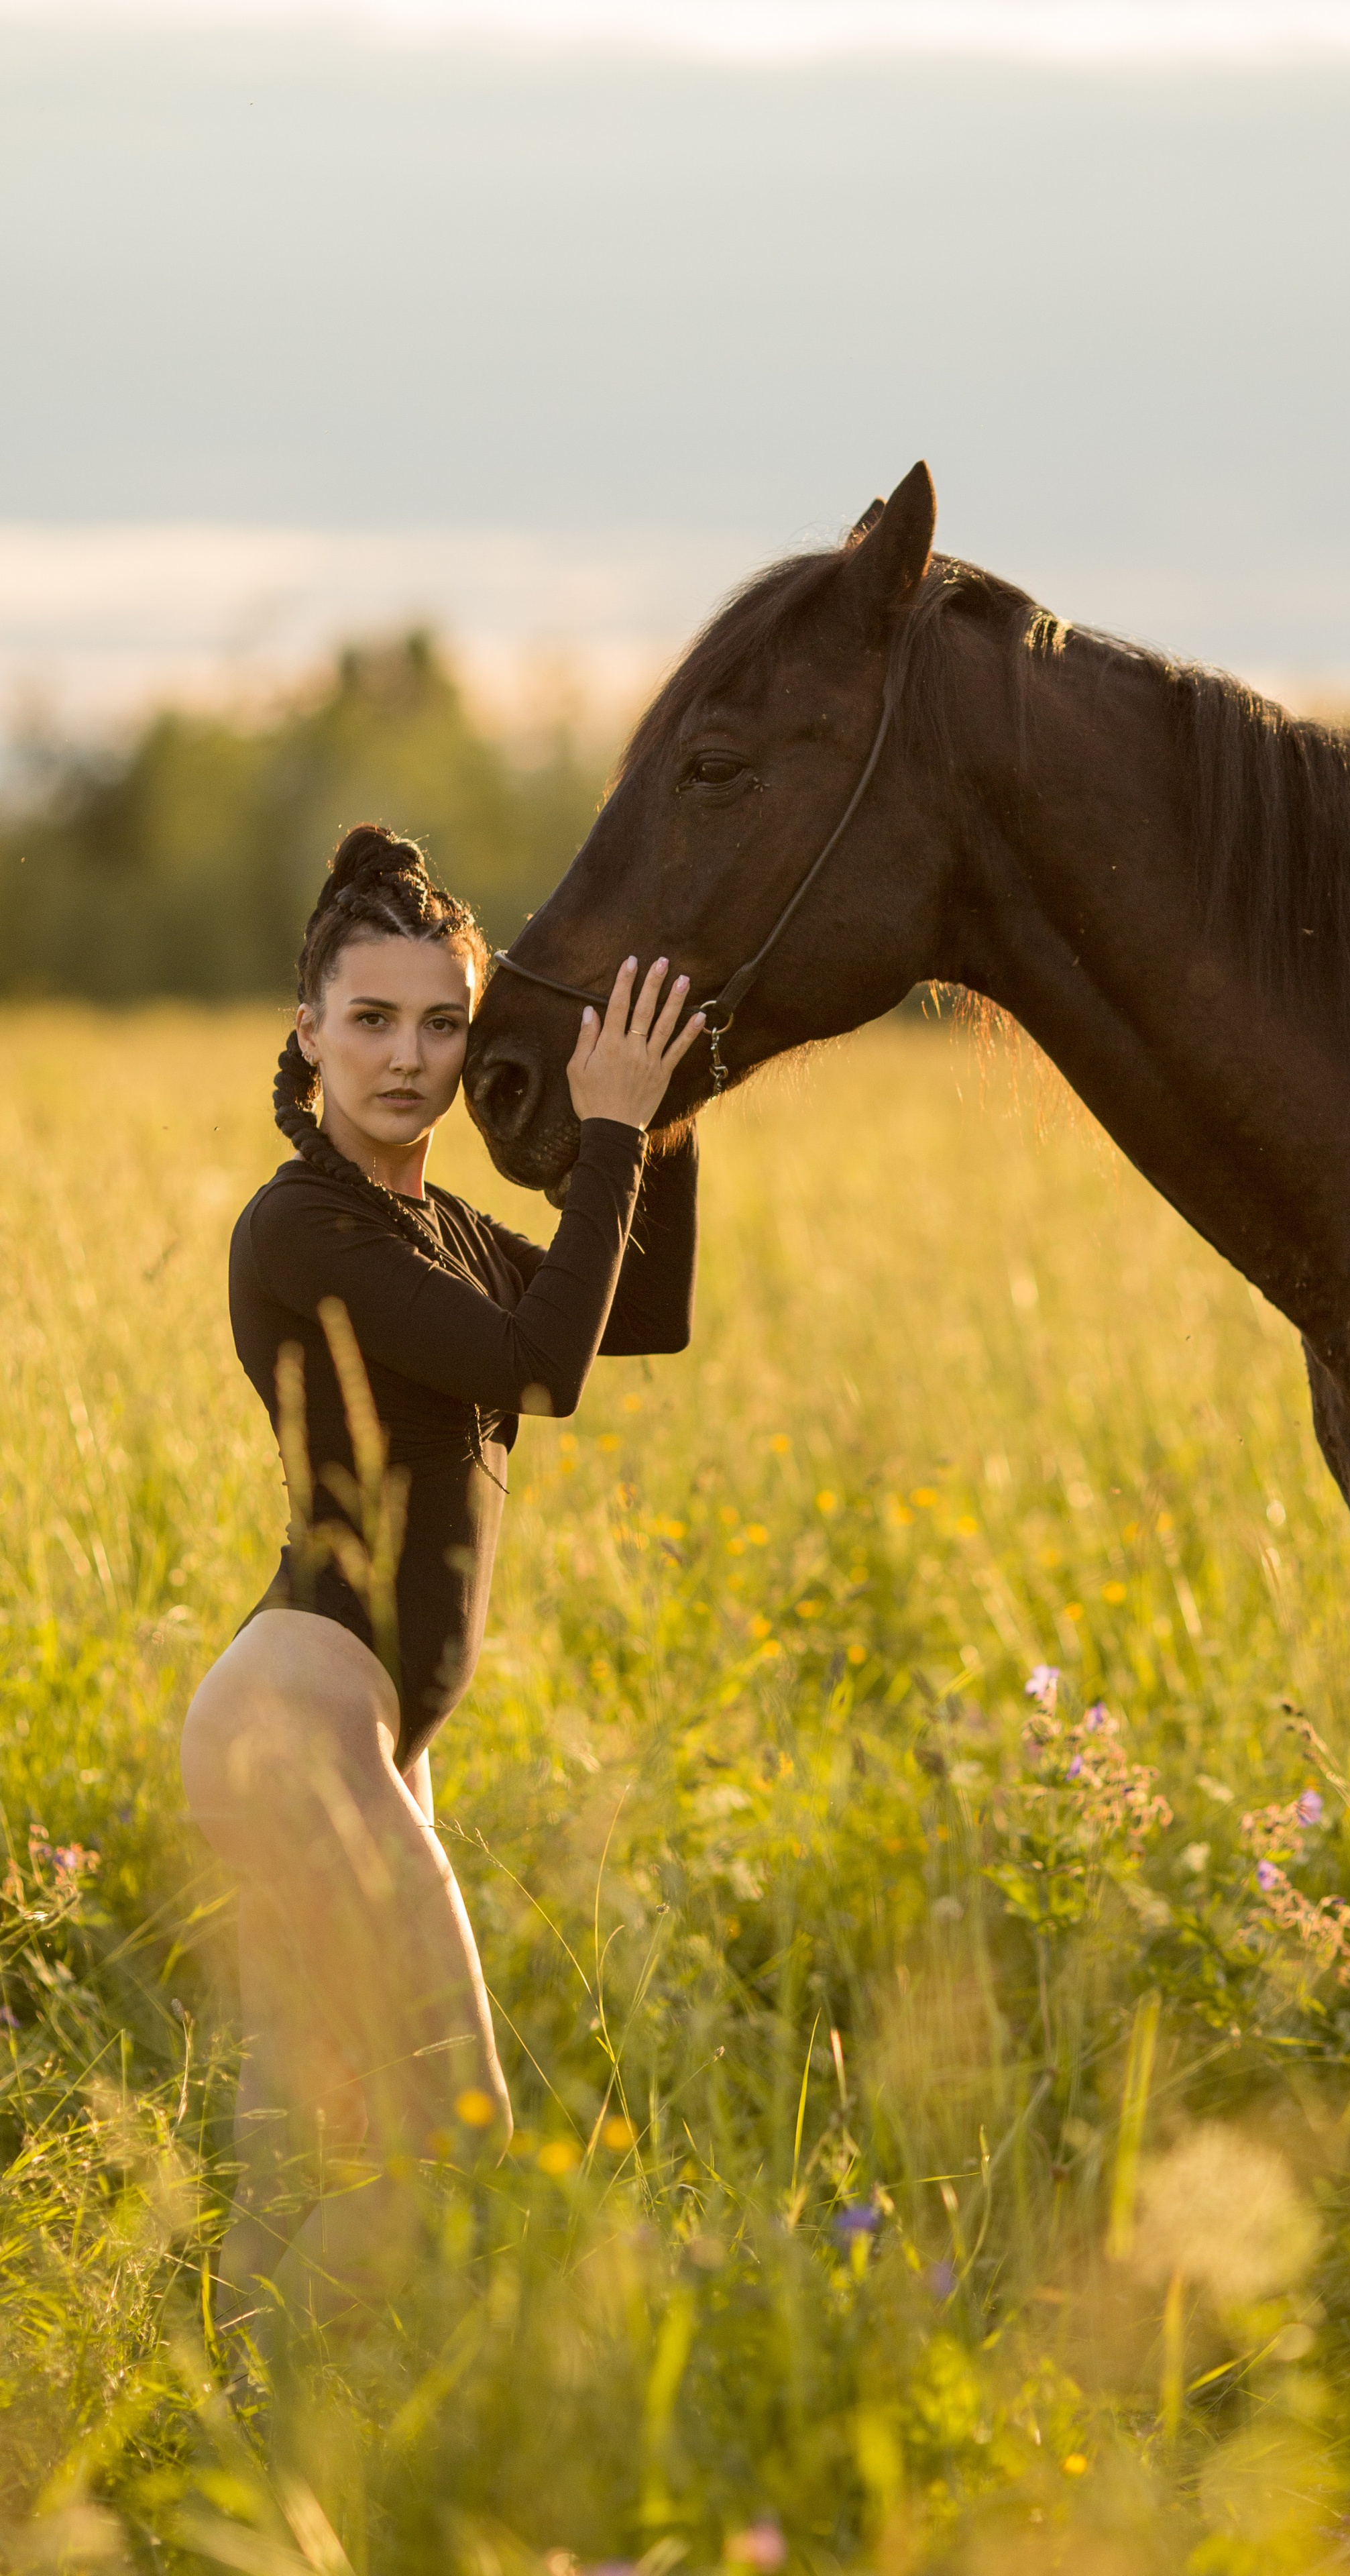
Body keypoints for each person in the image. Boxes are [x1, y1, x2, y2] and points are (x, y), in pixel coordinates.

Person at [180, 822, 704, 2346]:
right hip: (299, 1722)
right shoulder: (306, 1222)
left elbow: (643, 1310)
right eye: (371, 1020)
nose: (408, 1059)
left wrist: (659, 1111)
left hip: (354, 1739)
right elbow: (542, 1371)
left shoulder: (433, 1223)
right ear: (308, 1033)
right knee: (450, 2122)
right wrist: (602, 1136)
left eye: (440, 1023)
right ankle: (422, 2433)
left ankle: (257, 2441)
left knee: (308, 2142)